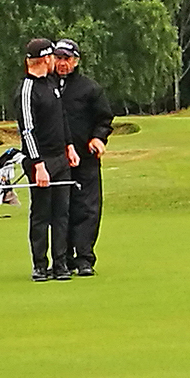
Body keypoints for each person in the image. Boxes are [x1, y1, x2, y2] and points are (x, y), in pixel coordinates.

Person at [13, 38, 80, 282]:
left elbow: (61, 118)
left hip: (60, 158)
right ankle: (40, 265)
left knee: (62, 214)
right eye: (53, 57)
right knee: (41, 215)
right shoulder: (27, 90)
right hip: (40, 162)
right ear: (45, 59)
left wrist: (69, 146)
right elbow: (27, 131)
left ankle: (60, 264)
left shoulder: (52, 83)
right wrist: (38, 165)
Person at [53, 38, 114, 276]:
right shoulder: (46, 86)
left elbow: (104, 119)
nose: (62, 63)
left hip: (85, 157)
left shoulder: (90, 89)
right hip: (56, 159)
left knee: (87, 209)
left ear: (76, 61)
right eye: (58, 58)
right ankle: (63, 259)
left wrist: (98, 138)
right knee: (61, 210)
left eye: (67, 59)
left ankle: (84, 258)